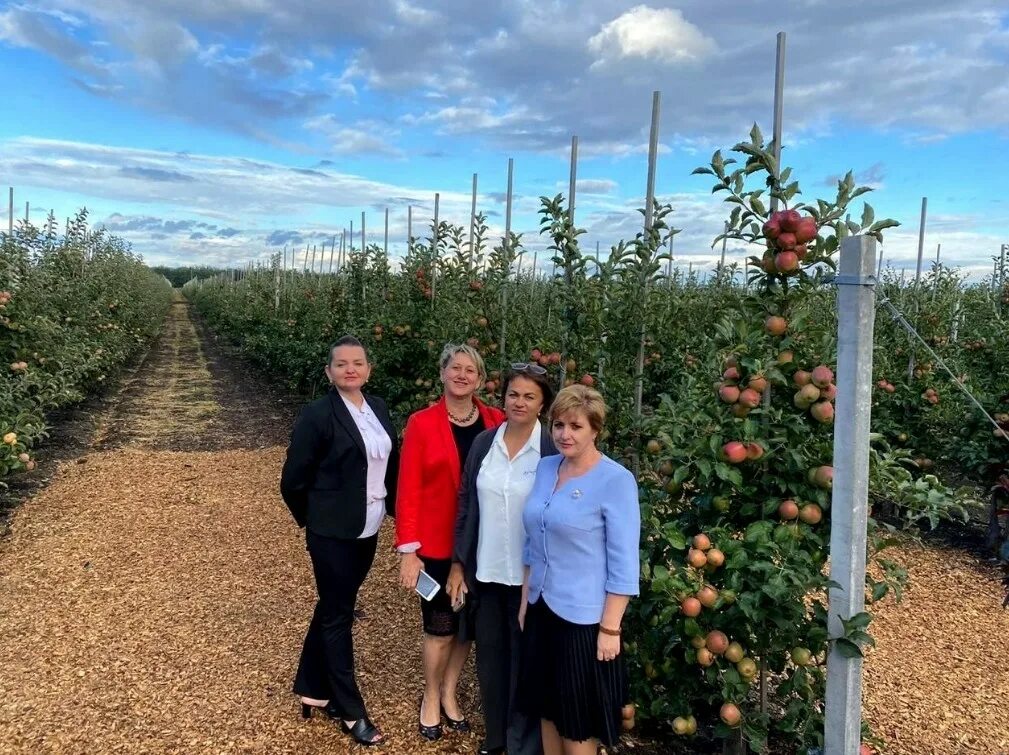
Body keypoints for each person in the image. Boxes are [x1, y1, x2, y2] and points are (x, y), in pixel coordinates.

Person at [279, 335, 398, 747]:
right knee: (338, 615)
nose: (351, 369)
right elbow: (293, 479)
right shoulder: (318, 413)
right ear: (329, 372)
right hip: (332, 533)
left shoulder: (377, 408)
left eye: (358, 363)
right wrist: (316, 520)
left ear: (368, 369)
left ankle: (313, 687)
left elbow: (389, 466)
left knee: (335, 606)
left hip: (368, 528)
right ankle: (347, 708)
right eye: (342, 364)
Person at [519, 384, 641, 755]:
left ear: (595, 430)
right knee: (546, 710)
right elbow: (533, 541)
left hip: (584, 621)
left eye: (576, 426)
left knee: (576, 721)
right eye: (558, 425)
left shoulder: (615, 480)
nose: (564, 435)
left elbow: (623, 562)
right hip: (541, 608)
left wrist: (610, 628)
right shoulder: (545, 467)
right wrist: (526, 601)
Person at [396, 343, 505, 741]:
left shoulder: (496, 420)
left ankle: (449, 690)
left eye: (470, 370)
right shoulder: (422, 423)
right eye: (455, 368)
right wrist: (408, 550)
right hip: (438, 546)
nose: (462, 375)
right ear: (442, 373)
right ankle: (429, 696)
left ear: (480, 379)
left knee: (468, 629)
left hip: (482, 544)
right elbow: (407, 489)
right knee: (441, 627)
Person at [448, 364, 556, 755]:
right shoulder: (485, 444)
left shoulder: (551, 449)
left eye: (529, 396)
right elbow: (467, 502)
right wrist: (460, 563)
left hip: (534, 580)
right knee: (491, 665)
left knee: (525, 664)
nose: (519, 402)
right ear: (503, 397)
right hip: (489, 573)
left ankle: (523, 744)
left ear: (543, 403)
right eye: (513, 394)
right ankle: (496, 740)